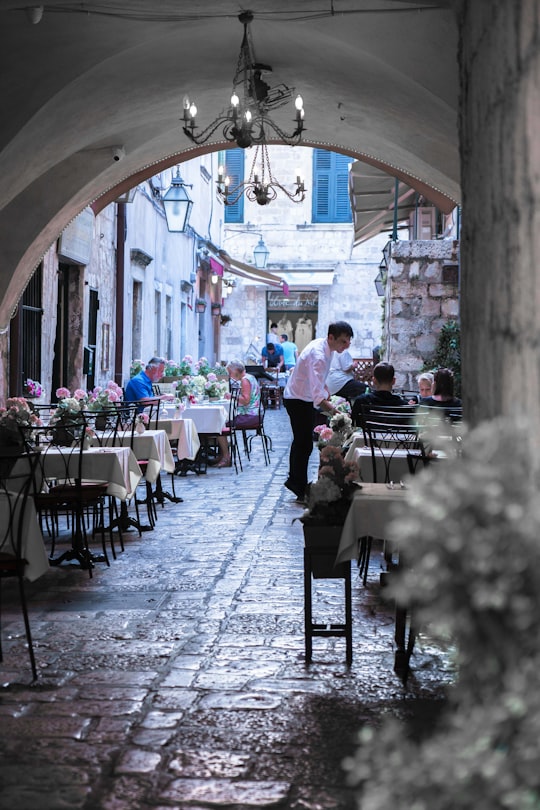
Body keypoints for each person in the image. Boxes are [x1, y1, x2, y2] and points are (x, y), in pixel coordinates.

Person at [283, 320, 354, 502]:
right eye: (343, 341)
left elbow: (319, 382)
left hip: (301, 396)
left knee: (303, 443)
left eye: (348, 341)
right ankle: (298, 486)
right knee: (303, 443)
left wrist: (326, 391)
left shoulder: (326, 347)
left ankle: (296, 483)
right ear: (332, 337)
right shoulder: (319, 355)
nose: (347, 345)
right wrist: (339, 415)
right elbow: (318, 398)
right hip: (297, 398)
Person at [215, 360, 261, 468]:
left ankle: (226, 457)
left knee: (219, 425)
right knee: (222, 421)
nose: (230, 376)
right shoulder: (250, 377)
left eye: (230, 373)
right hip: (254, 413)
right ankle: (223, 453)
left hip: (250, 415)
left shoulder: (245, 380)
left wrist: (232, 396)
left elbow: (245, 400)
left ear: (236, 371)